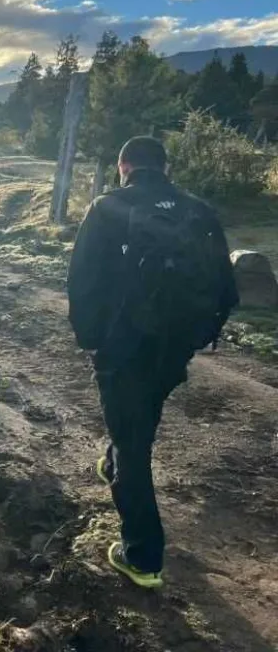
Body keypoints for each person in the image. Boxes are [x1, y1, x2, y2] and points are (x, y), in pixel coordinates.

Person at [67, 135, 238, 590]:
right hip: (177, 344)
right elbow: (227, 285)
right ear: (166, 169)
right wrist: (201, 334)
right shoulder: (199, 210)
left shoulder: (107, 208)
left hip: (123, 346)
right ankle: (114, 461)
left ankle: (142, 557)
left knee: (132, 444)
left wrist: (91, 340)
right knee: (139, 417)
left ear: (123, 167)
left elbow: (82, 282)